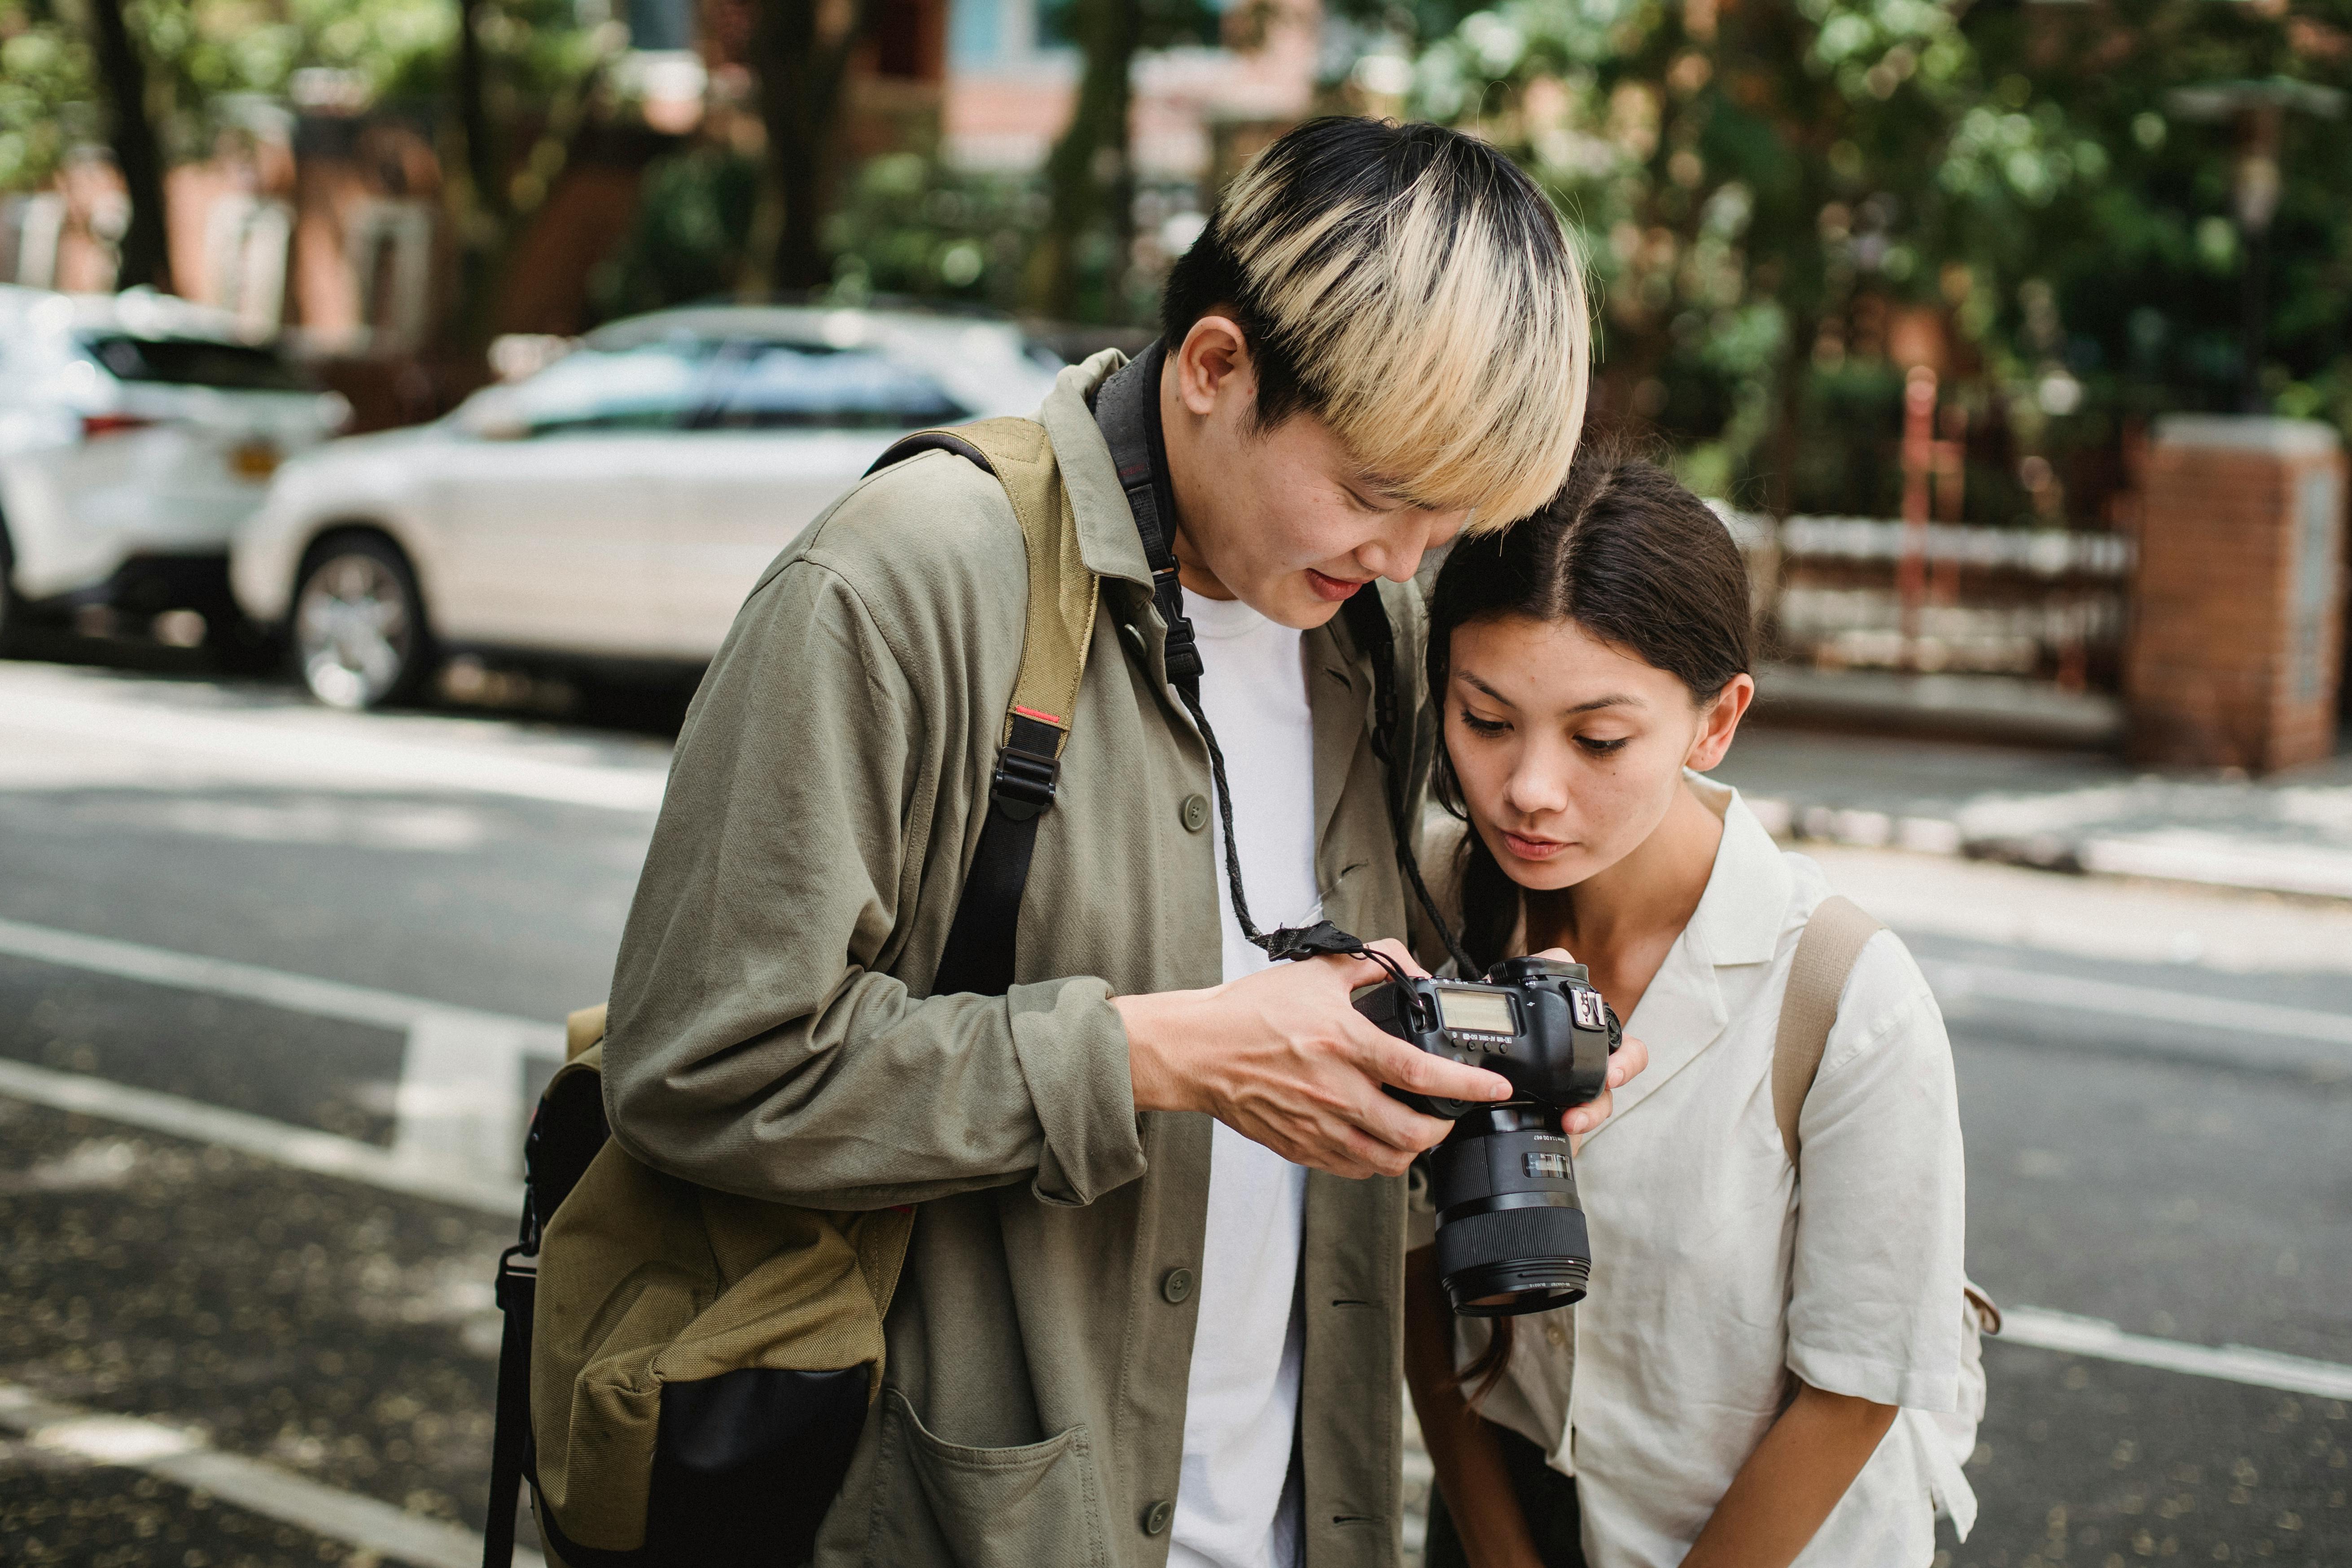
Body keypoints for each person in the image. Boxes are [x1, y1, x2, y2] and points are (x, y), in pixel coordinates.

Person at [599, 118, 1642, 1568]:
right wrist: (1161, 1054)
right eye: (1374, 492)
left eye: (1451, 515)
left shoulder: (1373, 634)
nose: (1407, 556)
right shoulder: (906, 579)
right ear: (1216, 369)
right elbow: (700, 1066)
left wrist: (1486, 1069)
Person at [1403, 448, 1969, 1568]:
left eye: (1598, 739)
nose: (1528, 788)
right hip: (1499, 1514)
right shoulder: (1436, 911)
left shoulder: (1842, 998)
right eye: (1484, 718)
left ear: (1715, 724)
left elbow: (1852, 1392)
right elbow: (1421, 1286)